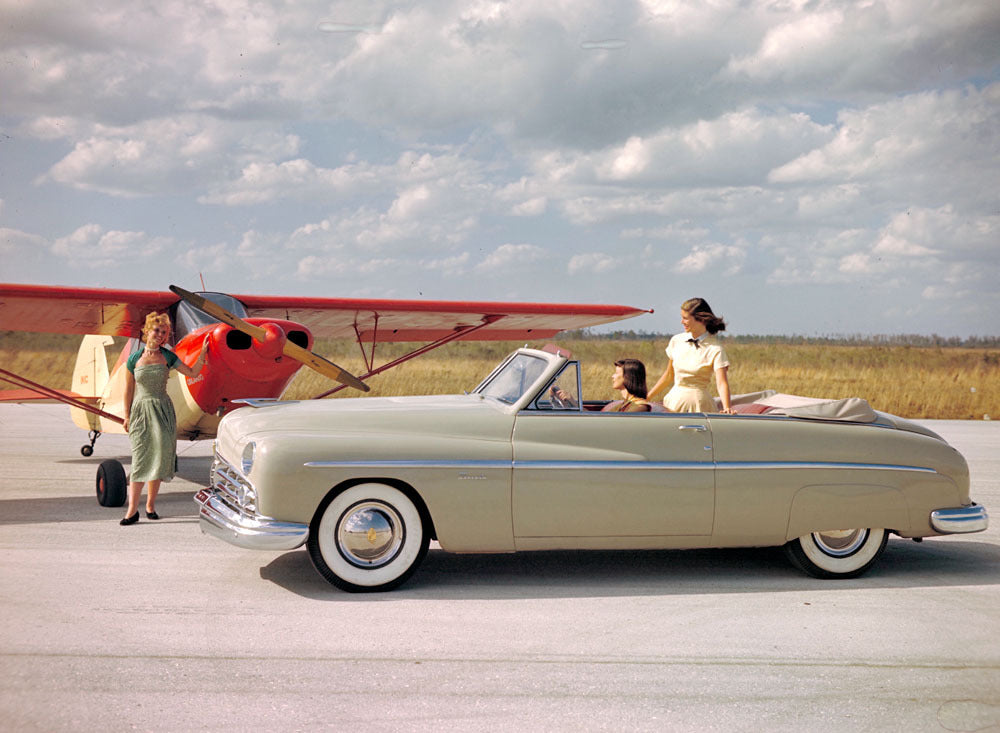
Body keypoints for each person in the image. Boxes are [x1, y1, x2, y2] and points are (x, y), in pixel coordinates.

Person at [120, 312, 209, 525]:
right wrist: (126, 416)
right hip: (141, 411)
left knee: (158, 460)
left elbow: (192, 371)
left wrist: (204, 352)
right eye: (157, 330)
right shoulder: (134, 359)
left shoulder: (168, 357)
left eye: (164, 333)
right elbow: (128, 389)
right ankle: (132, 511)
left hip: (163, 411)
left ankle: (150, 506)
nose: (160, 335)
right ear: (148, 331)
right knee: (141, 458)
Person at [648, 298, 734, 414]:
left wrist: (727, 407)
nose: (681, 322)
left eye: (685, 318)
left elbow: (721, 383)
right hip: (673, 402)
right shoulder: (676, 340)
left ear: (700, 319)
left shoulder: (715, 348)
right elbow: (668, 375)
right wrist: (646, 398)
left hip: (700, 405)